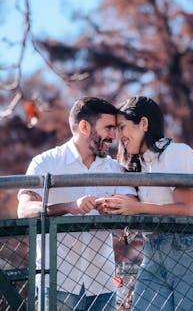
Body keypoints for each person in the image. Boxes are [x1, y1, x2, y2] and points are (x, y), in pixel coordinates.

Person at [99, 96, 193, 311]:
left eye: (122, 127)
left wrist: (137, 208)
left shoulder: (177, 153)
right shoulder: (138, 167)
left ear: (144, 124)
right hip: (153, 253)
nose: (120, 136)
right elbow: (136, 208)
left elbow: (187, 209)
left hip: (191, 254)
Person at [17, 97, 137, 311]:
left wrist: (112, 205)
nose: (113, 135)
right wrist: (68, 207)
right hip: (57, 281)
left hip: (102, 283)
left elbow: (131, 200)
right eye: (108, 128)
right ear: (84, 127)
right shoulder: (45, 162)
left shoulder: (114, 168)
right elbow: (24, 209)